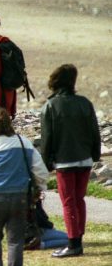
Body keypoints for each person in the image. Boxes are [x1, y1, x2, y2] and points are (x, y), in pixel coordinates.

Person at [0, 107, 48, 266]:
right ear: (9, 123)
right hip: (19, 196)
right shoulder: (24, 143)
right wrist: (39, 187)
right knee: (15, 240)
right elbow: (41, 171)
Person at [40, 64, 101, 258]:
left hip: (65, 162)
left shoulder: (50, 105)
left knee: (68, 202)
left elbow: (47, 139)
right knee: (79, 200)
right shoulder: (84, 103)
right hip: (84, 160)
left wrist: (46, 162)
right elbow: (94, 132)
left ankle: (74, 244)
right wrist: (95, 154)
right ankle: (78, 237)